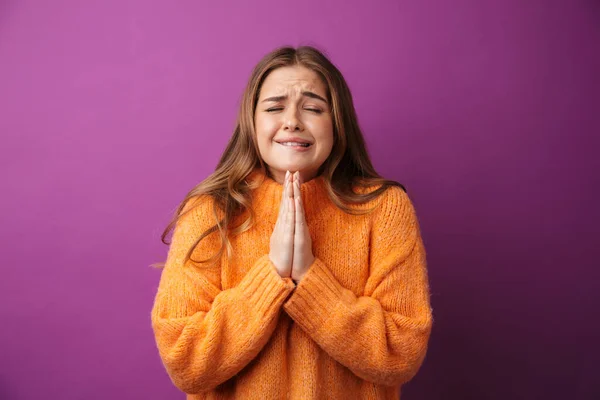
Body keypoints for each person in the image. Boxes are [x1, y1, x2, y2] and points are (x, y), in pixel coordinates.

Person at [150, 45, 434, 399]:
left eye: (313, 108)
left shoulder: (385, 208)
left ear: (338, 123)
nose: (293, 121)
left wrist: (309, 277)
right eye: (274, 107)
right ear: (252, 122)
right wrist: (272, 274)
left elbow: (401, 353)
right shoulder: (209, 210)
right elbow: (186, 362)